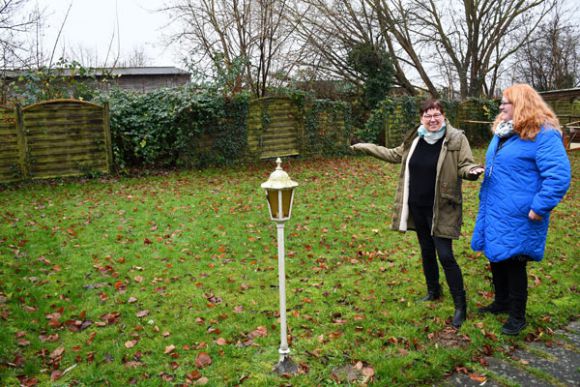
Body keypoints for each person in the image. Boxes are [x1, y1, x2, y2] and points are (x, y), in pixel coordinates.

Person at [351, 99, 484, 328]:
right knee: (426, 250)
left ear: (444, 116)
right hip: (417, 207)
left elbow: (464, 165)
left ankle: (460, 306)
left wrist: (471, 171)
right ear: (421, 118)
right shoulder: (416, 138)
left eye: (436, 115)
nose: (432, 120)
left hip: (441, 207)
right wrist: (364, 146)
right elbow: (393, 154)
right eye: (427, 116)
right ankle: (433, 291)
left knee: (445, 255)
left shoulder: (455, 139)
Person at [471, 84, 571, 335]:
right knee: (497, 255)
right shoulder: (504, 132)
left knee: (515, 262)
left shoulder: (543, 134)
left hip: (521, 212)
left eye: (507, 102)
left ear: (522, 103)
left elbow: (558, 176)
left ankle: (517, 316)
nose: (501, 106)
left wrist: (540, 207)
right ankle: (501, 302)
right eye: (501, 102)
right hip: (496, 208)